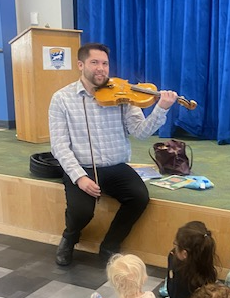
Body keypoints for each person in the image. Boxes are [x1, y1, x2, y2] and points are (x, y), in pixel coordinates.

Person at [49, 42, 178, 266]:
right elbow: (59, 146)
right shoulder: (61, 99)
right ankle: (69, 237)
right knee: (81, 212)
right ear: (81, 65)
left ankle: (110, 245)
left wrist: (161, 109)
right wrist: (79, 177)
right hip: (83, 167)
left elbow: (140, 133)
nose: (101, 68)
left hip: (116, 166)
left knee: (139, 198)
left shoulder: (122, 94)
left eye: (105, 63)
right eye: (94, 63)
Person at [158, 221, 218, 298]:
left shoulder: (185, 281)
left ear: (185, 254)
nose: (174, 248)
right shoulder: (206, 267)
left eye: (176, 245)